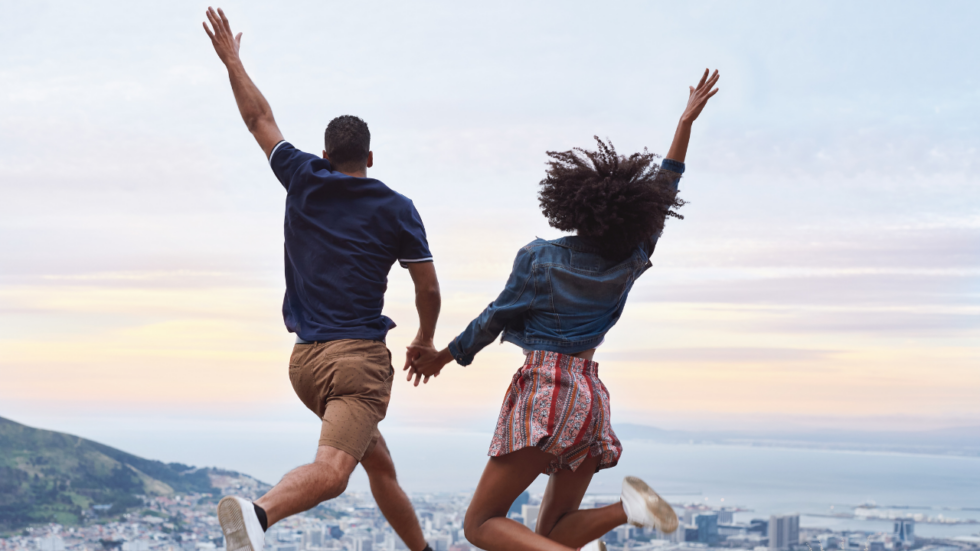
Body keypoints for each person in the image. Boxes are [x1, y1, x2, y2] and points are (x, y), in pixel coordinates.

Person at [407, 69, 721, 551]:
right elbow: (665, 189)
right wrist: (684, 125)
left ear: (571, 206)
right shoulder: (630, 257)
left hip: (547, 392)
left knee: (480, 523)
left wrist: (442, 358)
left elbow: (493, 319)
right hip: (591, 398)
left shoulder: (540, 258)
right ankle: (627, 509)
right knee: (549, 534)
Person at [203, 8, 441, 551]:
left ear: (326, 155)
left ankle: (422, 550)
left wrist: (233, 62)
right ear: (370, 158)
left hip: (305, 364)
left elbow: (258, 118)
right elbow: (427, 289)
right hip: (355, 364)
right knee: (334, 472)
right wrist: (425, 338)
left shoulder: (303, 177)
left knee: (377, 462)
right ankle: (258, 515)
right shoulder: (397, 208)